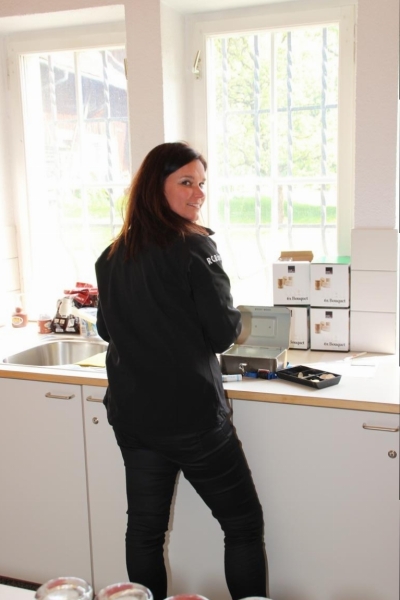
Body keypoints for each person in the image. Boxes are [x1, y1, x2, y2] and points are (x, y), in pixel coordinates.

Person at [95, 142, 269, 600]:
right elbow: (222, 334)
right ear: (156, 187)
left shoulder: (111, 255)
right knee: (242, 524)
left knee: (145, 530)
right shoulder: (194, 246)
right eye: (186, 182)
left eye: (202, 183)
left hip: (135, 418)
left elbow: (107, 329)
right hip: (192, 419)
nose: (199, 193)